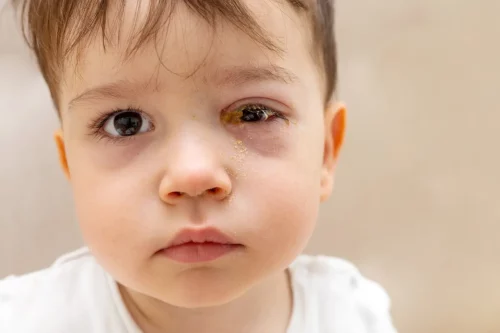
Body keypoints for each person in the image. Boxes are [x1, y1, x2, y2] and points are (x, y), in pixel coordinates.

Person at [1, 0, 397, 332]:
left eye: (253, 113)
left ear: (325, 151)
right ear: (71, 164)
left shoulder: (352, 316)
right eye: (126, 123)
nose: (193, 175)